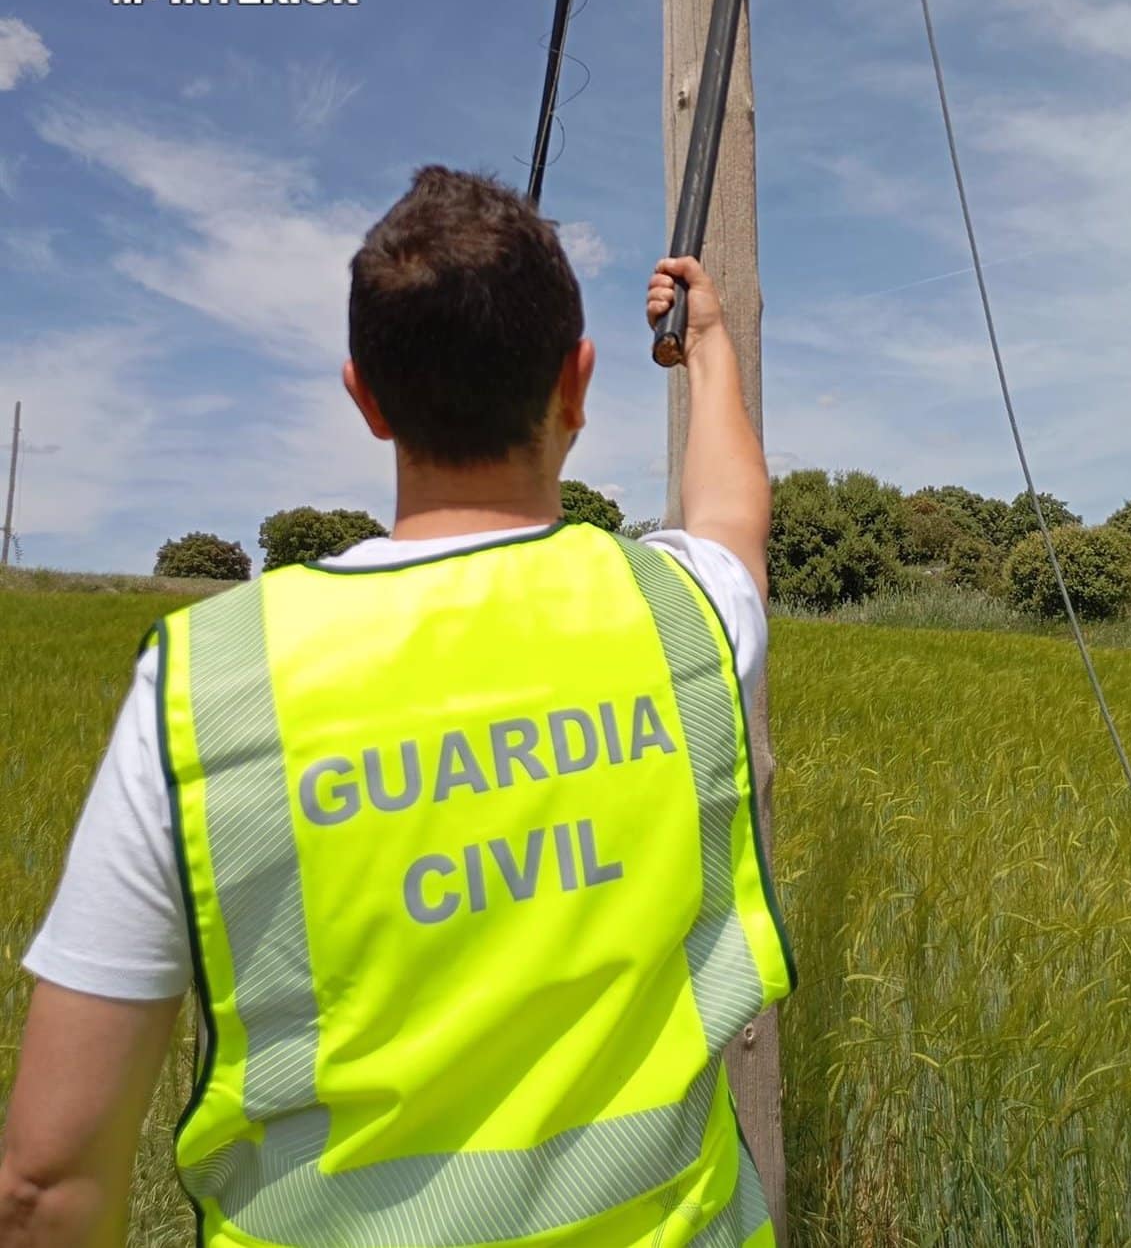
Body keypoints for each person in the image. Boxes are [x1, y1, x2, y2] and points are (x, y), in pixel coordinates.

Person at [0, 166, 796, 1248]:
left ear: (365, 398)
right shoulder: (682, 616)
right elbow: (732, 516)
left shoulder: (205, 684)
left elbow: (45, 1183)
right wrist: (706, 344)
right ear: (577, 383)